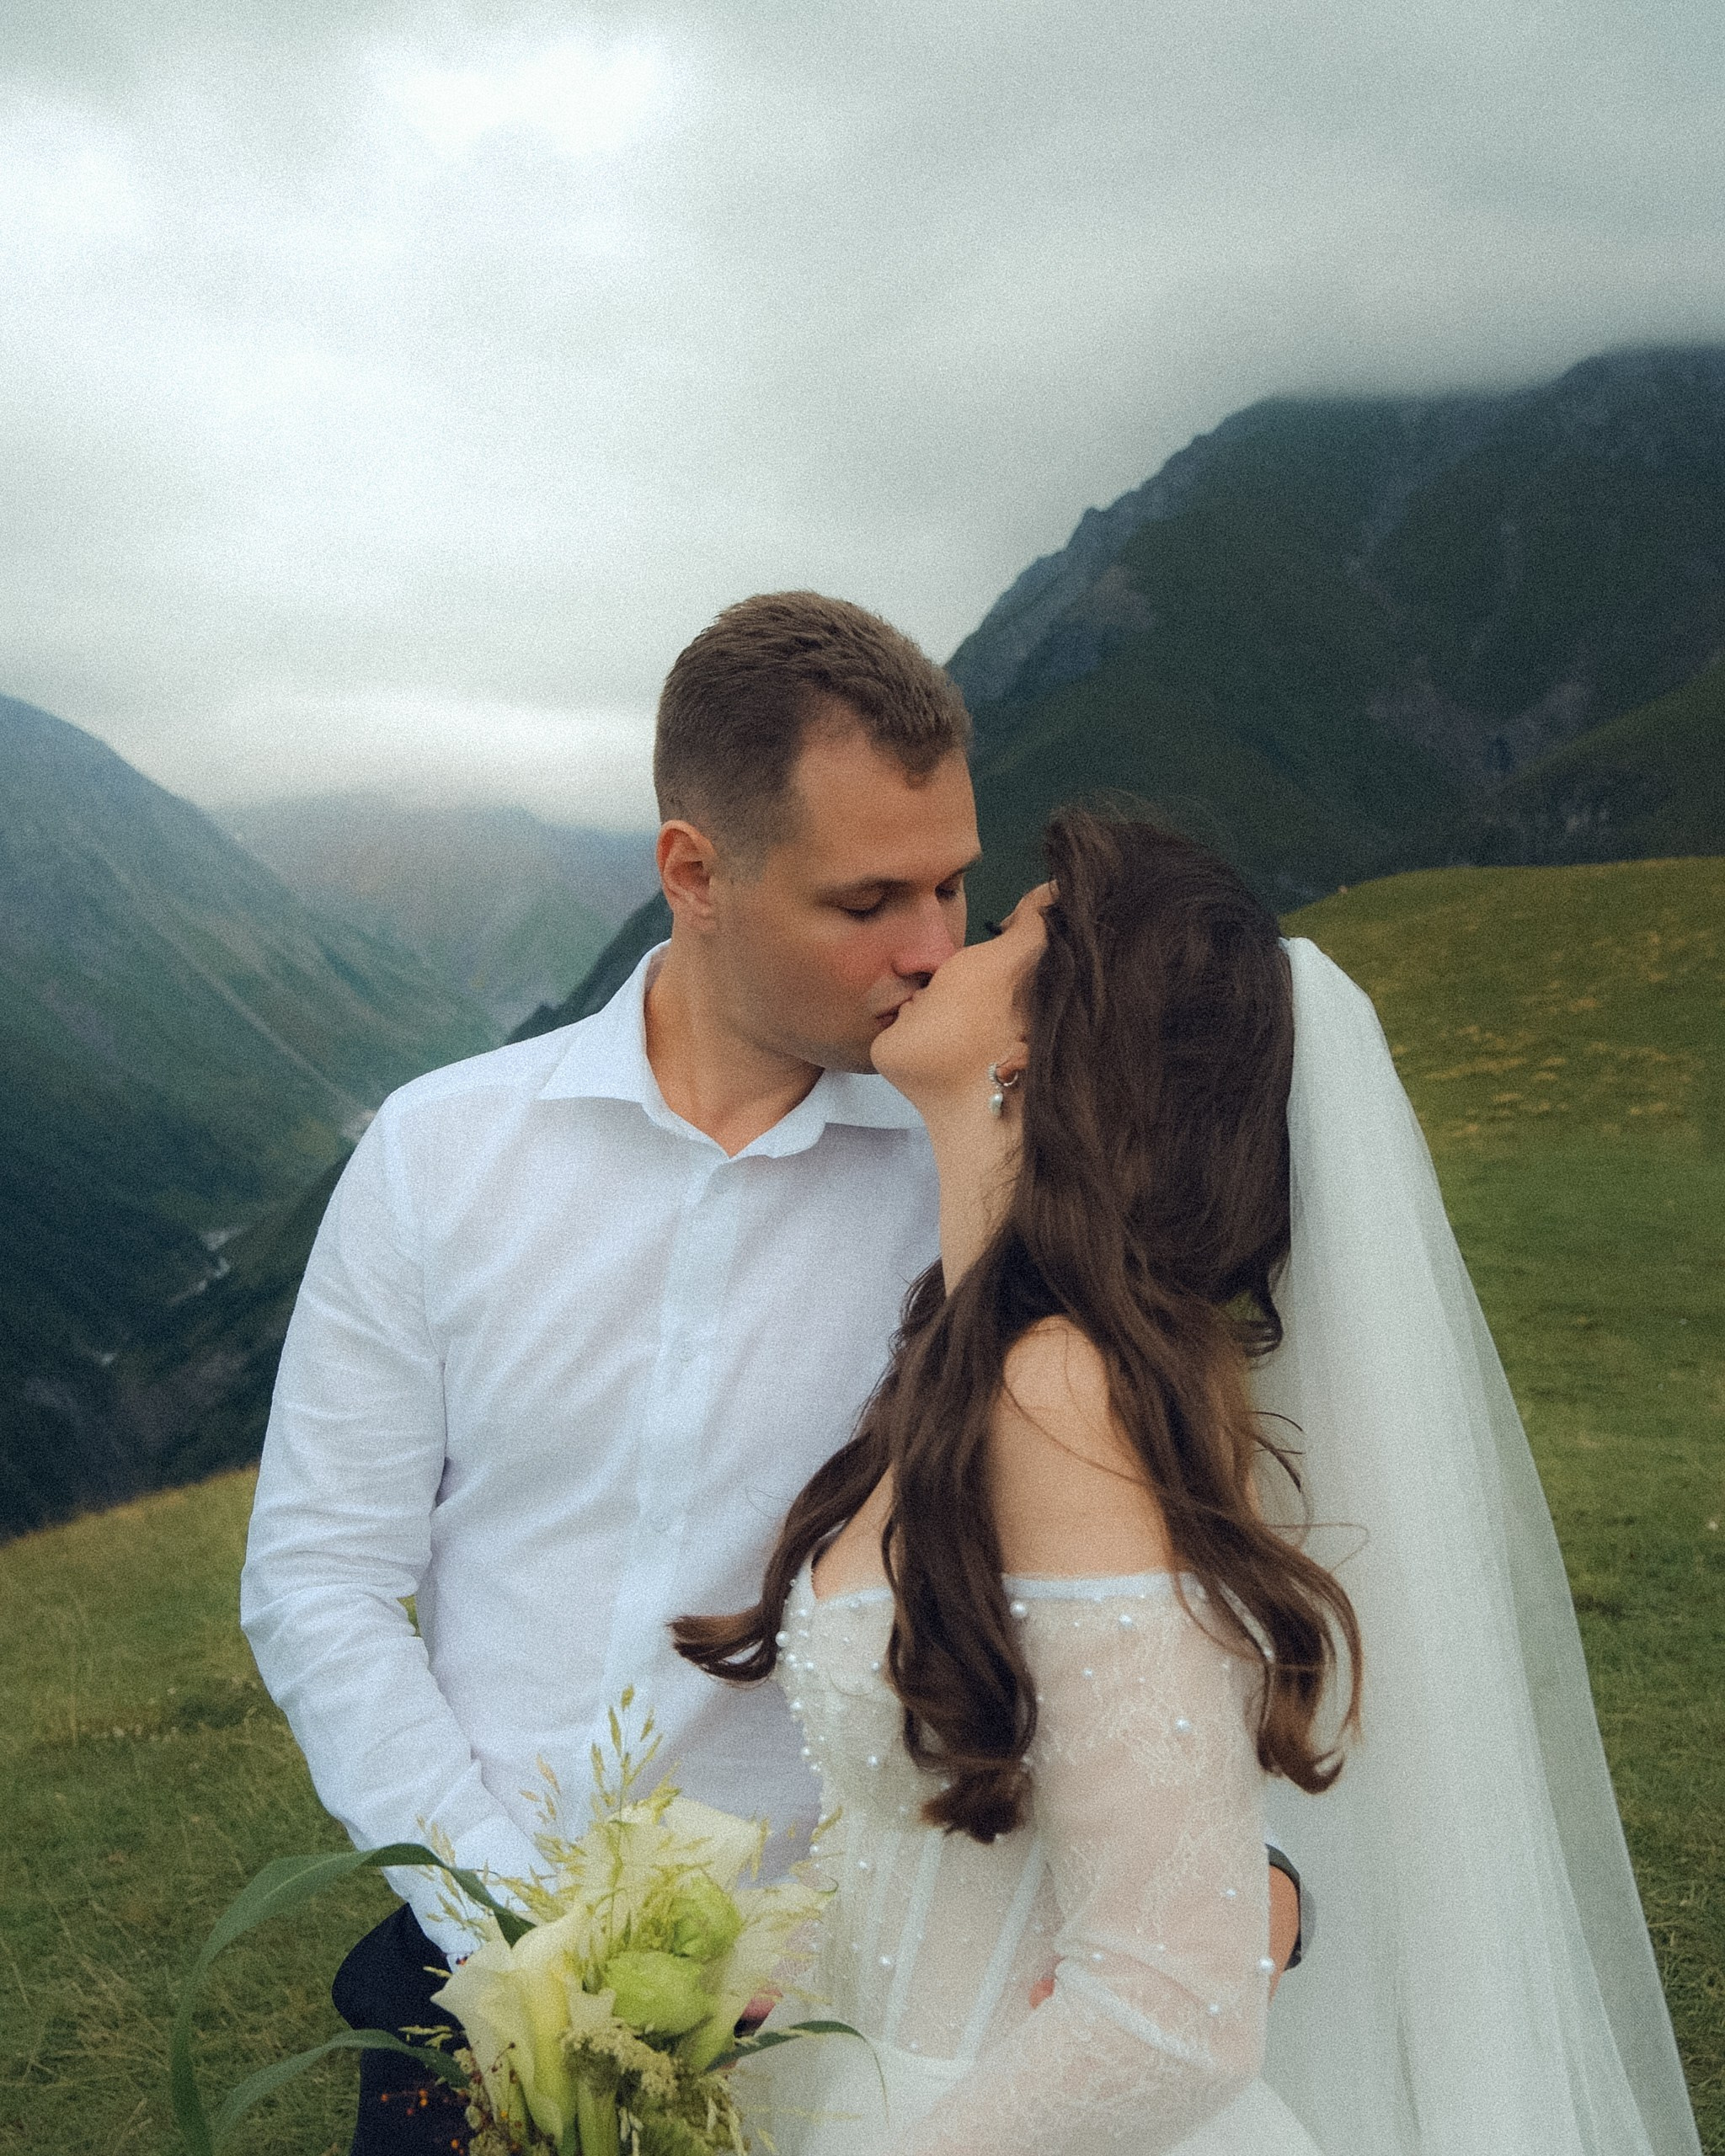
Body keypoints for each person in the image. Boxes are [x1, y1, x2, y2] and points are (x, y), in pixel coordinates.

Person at [241, 598, 1305, 2154]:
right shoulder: (439, 1153)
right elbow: (321, 1576)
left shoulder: (988, 1186)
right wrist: (513, 1923)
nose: (935, 944)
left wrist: (1249, 1879)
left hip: (834, 2026)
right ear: (696, 873)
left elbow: (1171, 1587)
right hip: (469, 1978)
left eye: (954, 882)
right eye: (871, 897)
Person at [676, 809, 1703, 2156]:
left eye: (1002, 927)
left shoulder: (1056, 1393)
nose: (940, 951)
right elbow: (950, 1848)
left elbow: (1176, 2007)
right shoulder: (963, 1360)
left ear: (1040, 1053)